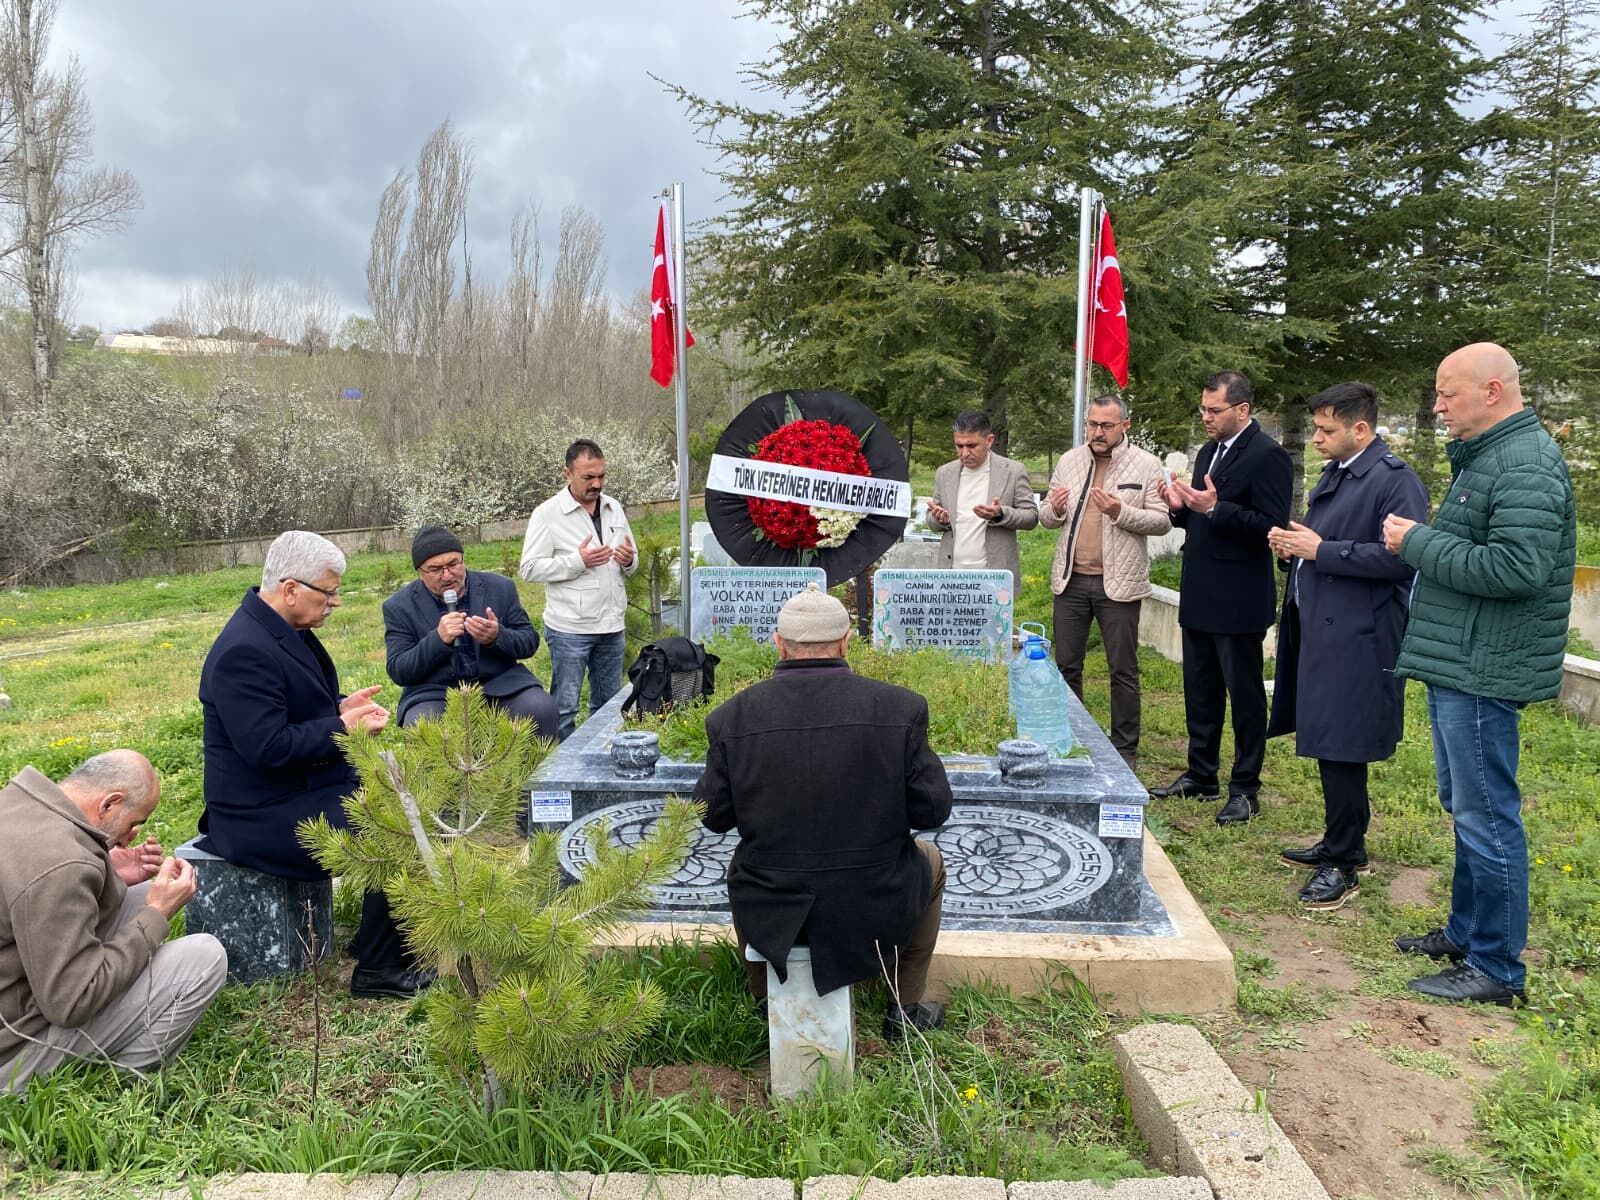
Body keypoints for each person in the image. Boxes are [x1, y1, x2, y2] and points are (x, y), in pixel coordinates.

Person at [1382, 343, 1576, 1006]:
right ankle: (1466, 933)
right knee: (1466, 807)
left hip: (1484, 666)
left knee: (1487, 813)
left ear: (1492, 391)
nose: (1438, 407)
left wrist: (1416, 542)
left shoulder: (1523, 463)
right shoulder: (1491, 455)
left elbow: (1517, 569)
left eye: (1448, 393)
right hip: (1463, 659)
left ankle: (1496, 967)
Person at [692, 583, 954, 1039]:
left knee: (742, 864)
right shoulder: (901, 709)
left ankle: (765, 999)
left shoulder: (731, 718)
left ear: (779, 643)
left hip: (775, 905)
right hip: (873, 900)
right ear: (846, 641)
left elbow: (712, 816)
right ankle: (905, 1006)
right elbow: (932, 810)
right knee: (929, 858)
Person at [197, 530, 431, 999]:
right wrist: (342, 726)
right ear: (290, 589)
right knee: (390, 827)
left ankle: (376, 938)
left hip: (297, 789)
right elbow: (266, 746)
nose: (336, 602)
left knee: (405, 802)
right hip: (258, 813)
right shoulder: (244, 650)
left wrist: (340, 706)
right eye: (329, 592)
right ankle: (379, 970)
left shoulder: (281, 630)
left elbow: (290, 708)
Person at [1265, 383, 1430, 910]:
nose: (1316, 438)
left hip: (1361, 634)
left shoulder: (1395, 481)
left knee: (1343, 743)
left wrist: (1322, 550)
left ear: (1360, 429)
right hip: (1324, 627)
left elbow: (1402, 559)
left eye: (1326, 429)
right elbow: (1326, 544)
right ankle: (1342, 842)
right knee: (1329, 738)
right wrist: (1295, 549)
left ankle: (1343, 860)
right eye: (1315, 428)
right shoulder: (1339, 472)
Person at [0, 751, 227, 1094]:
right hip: (13, 1050)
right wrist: (157, 915)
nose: (132, 835)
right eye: (135, 822)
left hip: (15, 992)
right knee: (204, 957)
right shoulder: (62, 864)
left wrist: (108, 872)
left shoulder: (21, 804)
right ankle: (118, 1084)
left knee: (140, 895)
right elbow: (72, 1002)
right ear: (109, 804)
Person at [1151, 371, 1293, 825]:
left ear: (1242, 410)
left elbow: (1271, 526)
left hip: (1238, 597)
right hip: (1200, 589)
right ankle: (1201, 773)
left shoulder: (1268, 456)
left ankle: (1245, 787)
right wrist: (1179, 508)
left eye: (1215, 410)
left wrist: (1214, 507)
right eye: (1203, 409)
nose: (1206, 418)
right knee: (1200, 689)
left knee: (1244, 696)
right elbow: (1199, 520)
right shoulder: (1208, 452)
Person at [1039, 394, 1171, 769]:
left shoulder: (1146, 464)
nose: (1097, 432)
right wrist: (1055, 509)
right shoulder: (1070, 460)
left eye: (1106, 425)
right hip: (1071, 581)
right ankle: (1069, 740)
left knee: (1122, 669)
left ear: (1124, 426)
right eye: (1092, 424)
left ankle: (1124, 749)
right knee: (1066, 666)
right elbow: (1046, 516)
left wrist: (1120, 511)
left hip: (1119, 584)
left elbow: (1162, 521)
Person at [383, 524, 558, 737]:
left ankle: (543, 762)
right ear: (420, 573)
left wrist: (497, 636)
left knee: (540, 708)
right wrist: (438, 640)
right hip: (436, 693)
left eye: (453, 564)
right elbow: (399, 669)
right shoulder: (399, 606)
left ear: (463, 560)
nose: (447, 575)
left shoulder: (500, 587)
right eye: (436, 569)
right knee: (424, 726)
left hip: (501, 684)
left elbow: (529, 642)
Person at [519, 439, 638, 740]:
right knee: (564, 708)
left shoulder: (614, 508)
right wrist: (577, 561)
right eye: (588, 477)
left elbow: (631, 559)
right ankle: (558, 763)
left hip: (612, 624)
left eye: (601, 476)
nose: (597, 484)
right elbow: (529, 568)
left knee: (609, 707)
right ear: (567, 474)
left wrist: (629, 560)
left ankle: (602, 760)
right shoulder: (548, 514)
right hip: (570, 628)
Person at [926, 410, 1039, 592]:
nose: (964, 453)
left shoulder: (1013, 471)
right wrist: (939, 519)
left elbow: (1031, 517)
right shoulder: (944, 473)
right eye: (959, 446)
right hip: (950, 576)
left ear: (989, 440)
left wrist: (1000, 514)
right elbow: (931, 520)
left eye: (971, 445)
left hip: (994, 578)